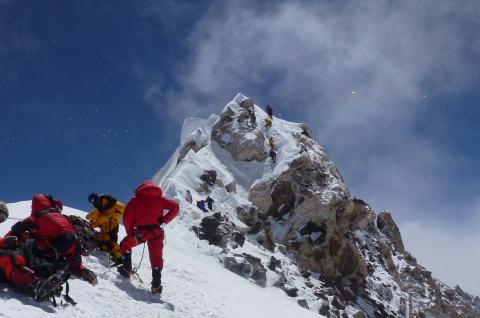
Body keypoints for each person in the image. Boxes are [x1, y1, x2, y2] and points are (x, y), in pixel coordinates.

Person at [8, 194, 97, 285]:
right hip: (74, 244)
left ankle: (38, 278)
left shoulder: (37, 217)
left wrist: (10, 238)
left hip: (55, 247)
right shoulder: (62, 217)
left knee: (29, 246)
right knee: (73, 264)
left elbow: (16, 230)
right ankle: (83, 271)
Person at [118, 180, 179, 294]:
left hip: (142, 232)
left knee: (125, 244)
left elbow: (127, 219)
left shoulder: (135, 200)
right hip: (157, 232)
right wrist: (164, 220)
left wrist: (131, 234)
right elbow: (175, 206)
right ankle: (156, 286)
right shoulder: (160, 199)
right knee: (156, 257)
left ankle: (126, 269)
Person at [86, 193, 124, 263]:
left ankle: (120, 258)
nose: (93, 203)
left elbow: (100, 218)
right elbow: (98, 213)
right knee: (106, 242)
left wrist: (91, 224)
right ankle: (118, 257)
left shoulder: (105, 210)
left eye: (93, 201)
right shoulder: (105, 209)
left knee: (111, 243)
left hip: (111, 226)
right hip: (110, 227)